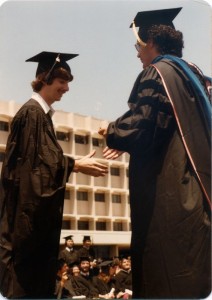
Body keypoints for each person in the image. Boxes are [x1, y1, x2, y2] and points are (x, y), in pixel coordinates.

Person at [99, 8, 211, 299]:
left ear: (151, 41)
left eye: (138, 46)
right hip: (200, 194)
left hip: (171, 199)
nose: (137, 54)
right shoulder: (197, 76)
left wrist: (110, 130)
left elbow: (142, 128)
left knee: (165, 277)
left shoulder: (158, 72)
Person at [0, 51, 108, 299]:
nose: (67, 88)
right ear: (45, 79)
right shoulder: (31, 115)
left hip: (33, 226)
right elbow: (34, 170)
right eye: (62, 82)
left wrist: (71, 164)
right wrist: (74, 165)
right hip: (25, 227)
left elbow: (43, 163)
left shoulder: (41, 116)